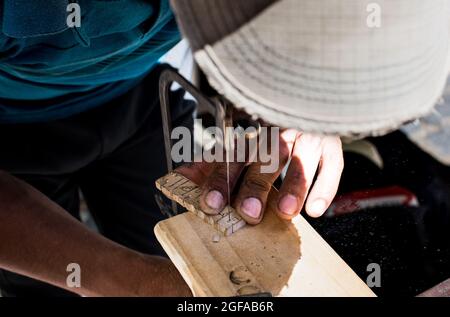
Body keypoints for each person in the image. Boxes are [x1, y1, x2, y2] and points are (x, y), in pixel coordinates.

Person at [0, 0, 343, 297]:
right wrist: (136, 284)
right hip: (13, 129)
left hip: (142, 97)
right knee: (53, 283)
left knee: (175, 247)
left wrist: (299, 94)